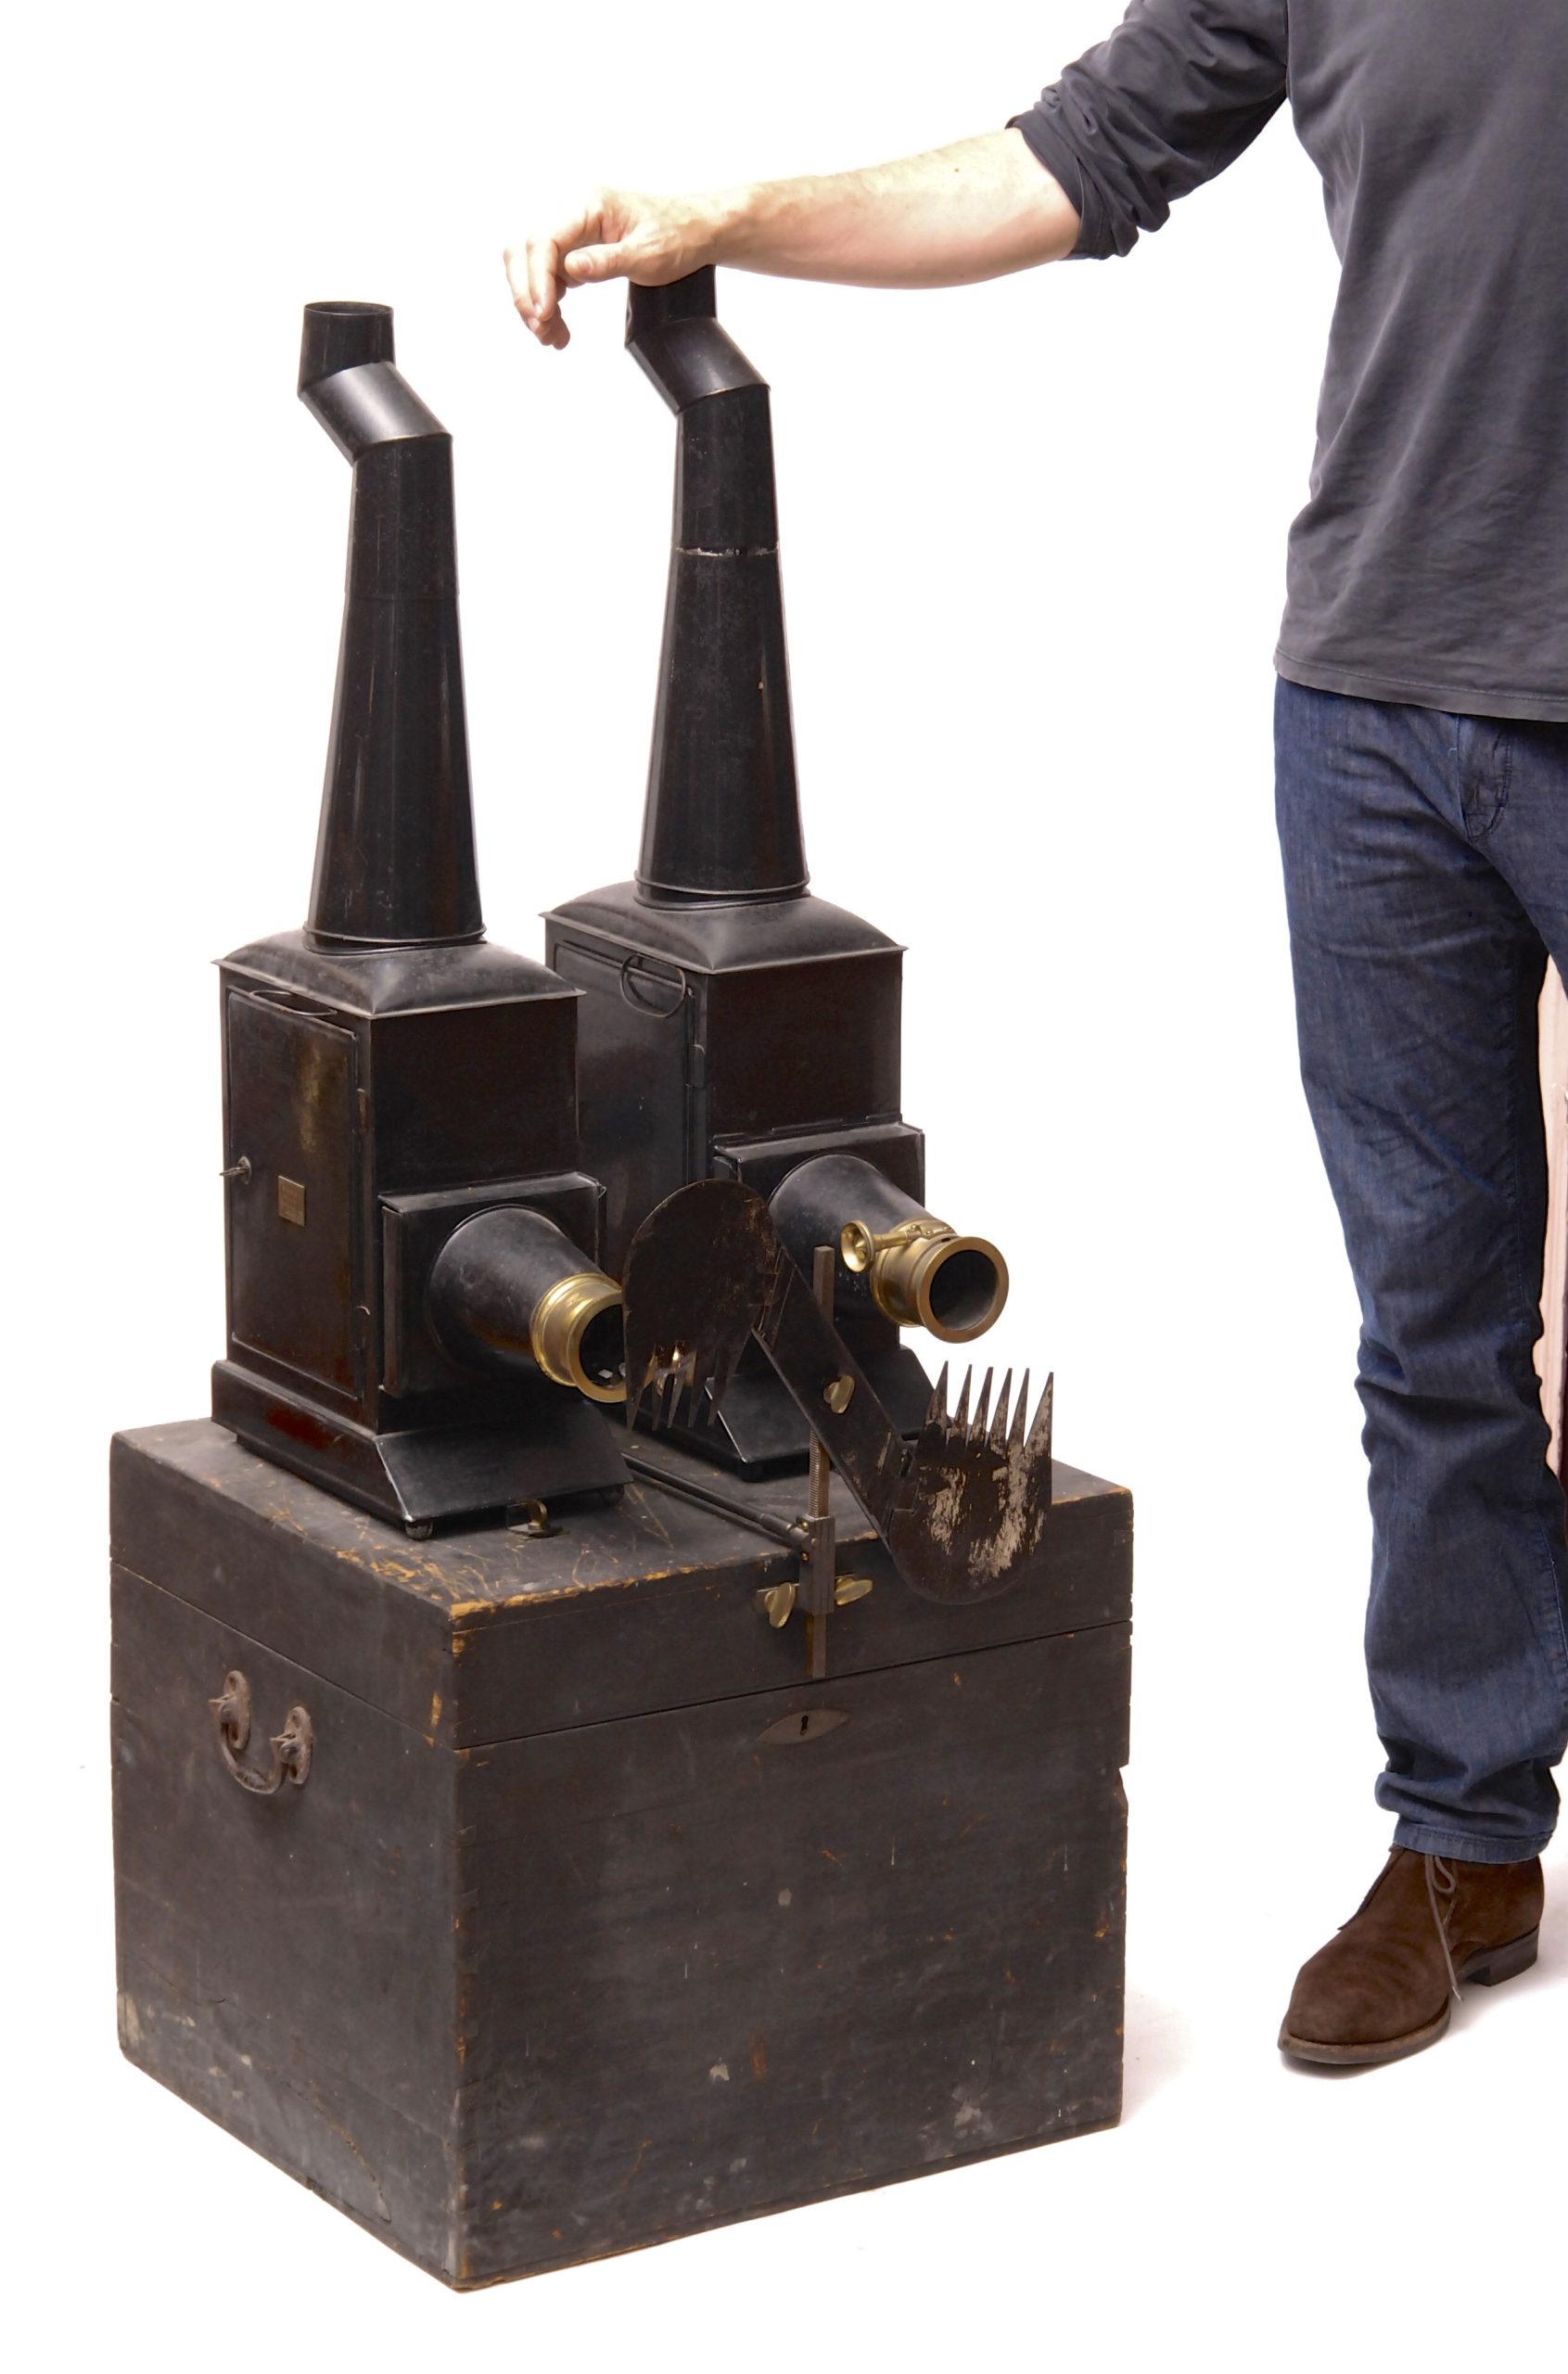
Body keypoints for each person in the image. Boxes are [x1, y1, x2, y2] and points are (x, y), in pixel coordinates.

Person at [504, 0, 1568, 2068]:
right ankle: (1466, 1834)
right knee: (1435, 1327)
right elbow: (1061, 164)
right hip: (1376, 710)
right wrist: (733, 210)